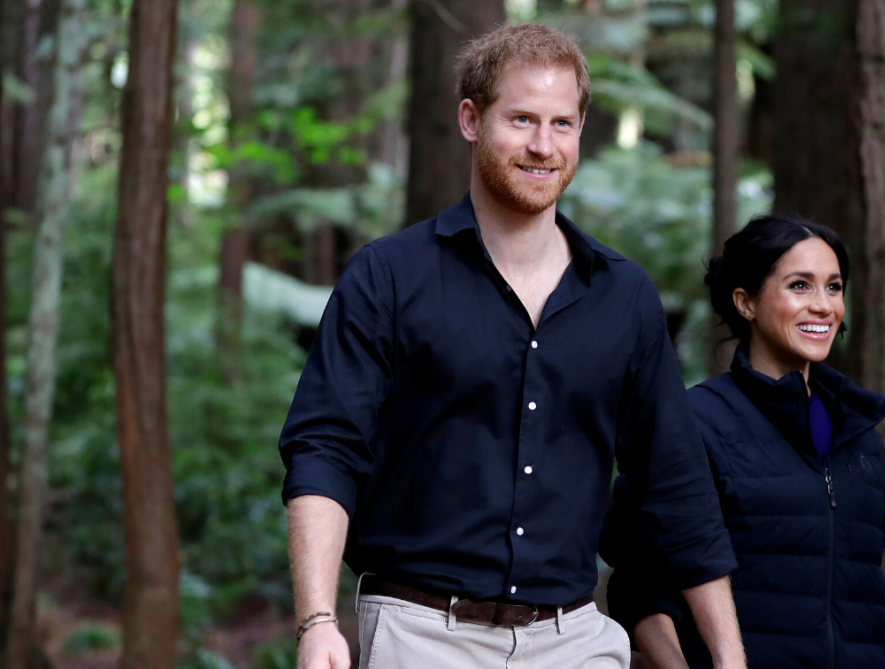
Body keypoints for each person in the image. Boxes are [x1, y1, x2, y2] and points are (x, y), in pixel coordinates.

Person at [278, 23, 747, 669]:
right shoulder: (389, 275)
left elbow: (676, 483)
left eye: (562, 123)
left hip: (576, 637)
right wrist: (318, 619)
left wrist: (730, 656)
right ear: (471, 120)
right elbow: (324, 448)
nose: (542, 145)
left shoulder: (625, 296)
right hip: (421, 634)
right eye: (522, 119)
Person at [600, 214, 885, 669]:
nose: (823, 305)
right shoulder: (693, 424)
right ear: (746, 303)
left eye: (834, 287)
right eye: (800, 286)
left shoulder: (860, 436)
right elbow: (639, 586)